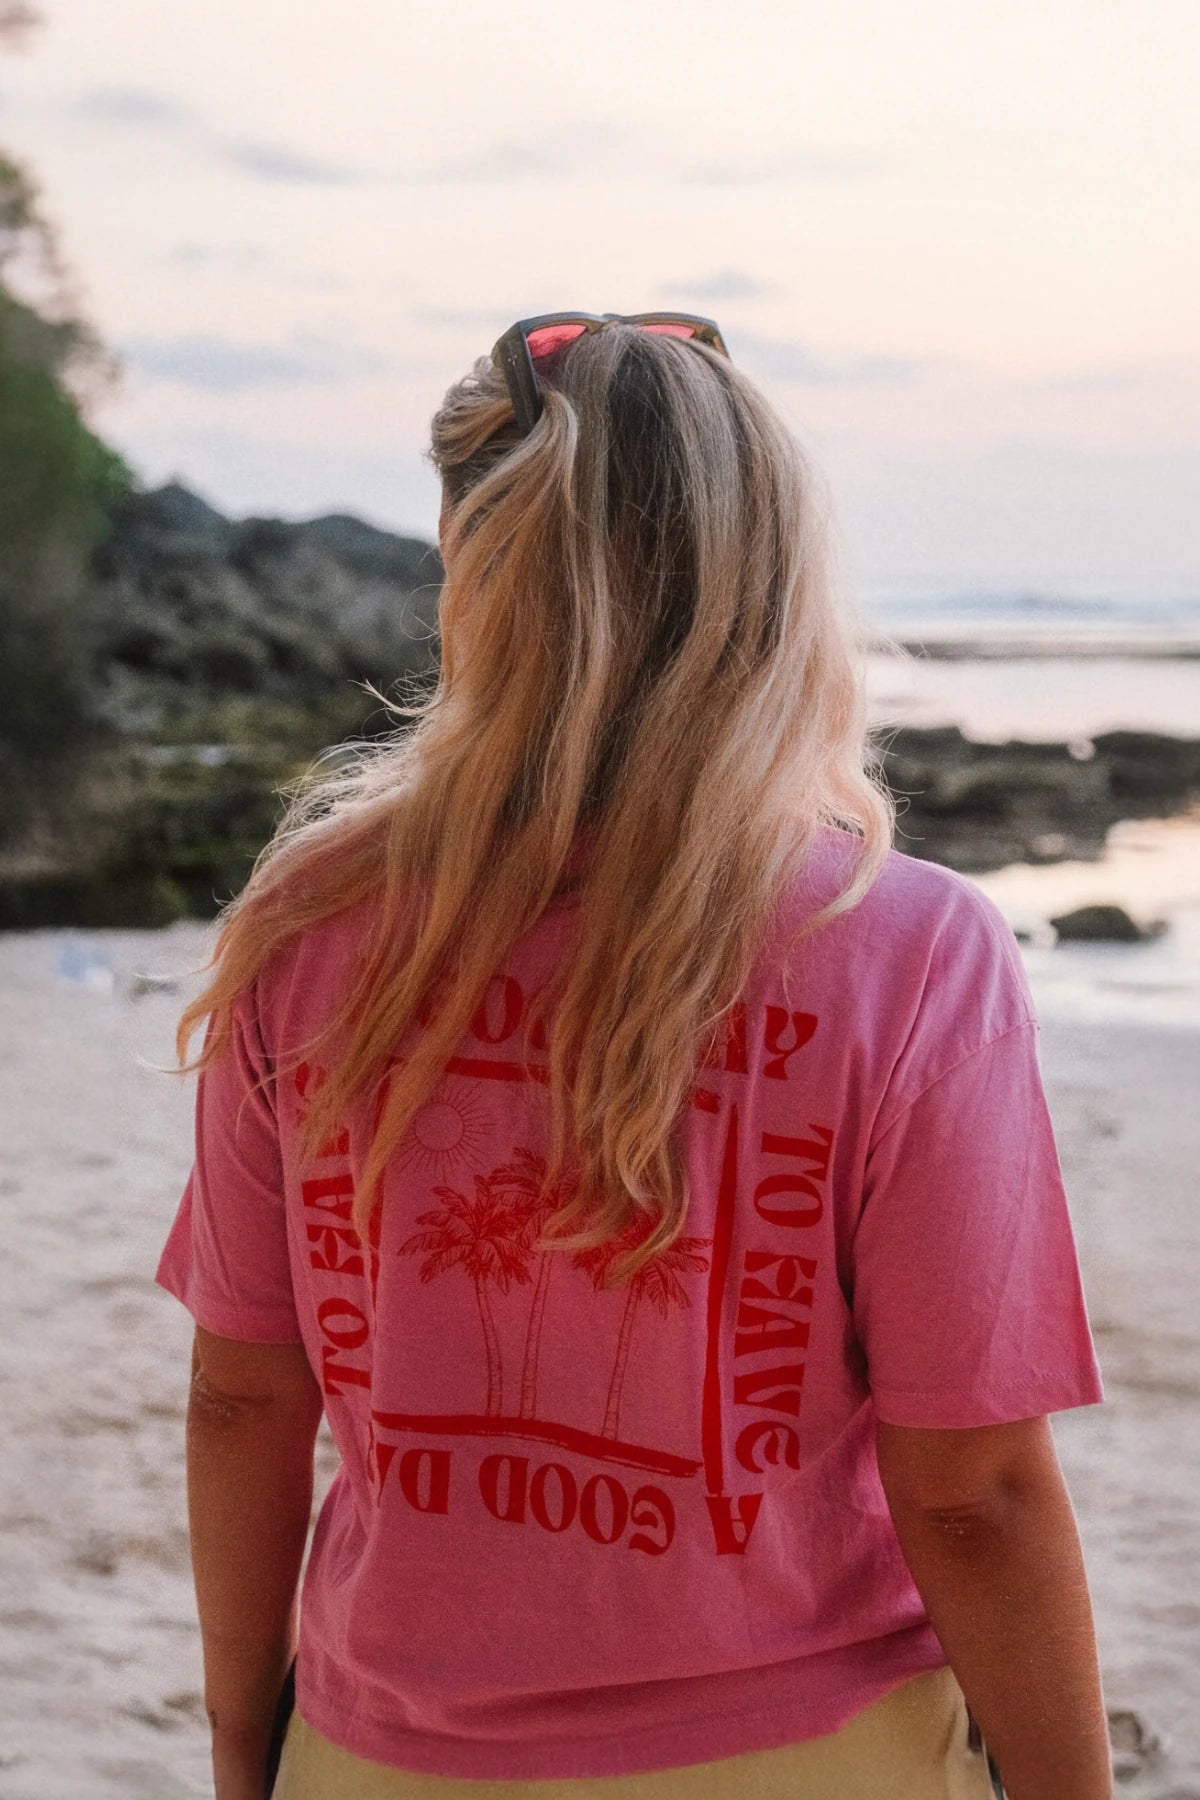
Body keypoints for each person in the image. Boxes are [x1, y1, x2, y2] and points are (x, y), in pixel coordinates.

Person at [154, 313, 1114, 1800]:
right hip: (810, 1753)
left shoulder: (308, 925)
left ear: (473, 574)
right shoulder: (903, 947)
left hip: (385, 1751)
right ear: (774, 580)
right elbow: (974, 1490)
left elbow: (243, 1397)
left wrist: (244, 1747)